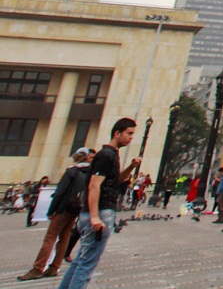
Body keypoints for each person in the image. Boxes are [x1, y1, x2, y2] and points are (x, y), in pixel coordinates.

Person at [58, 118, 138, 289]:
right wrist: (95, 217)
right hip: (100, 212)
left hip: (97, 212)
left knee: (81, 259)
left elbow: (115, 181)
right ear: (117, 133)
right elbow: (94, 185)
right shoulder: (106, 155)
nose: (131, 138)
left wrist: (131, 166)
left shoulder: (111, 154)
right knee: (87, 264)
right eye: (129, 133)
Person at [18, 149, 92, 280]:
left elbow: (60, 192)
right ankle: (54, 267)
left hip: (63, 208)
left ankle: (38, 268)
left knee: (50, 237)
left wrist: (51, 210)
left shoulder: (72, 171)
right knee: (64, 237)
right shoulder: (88, 173)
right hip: (75, 209)